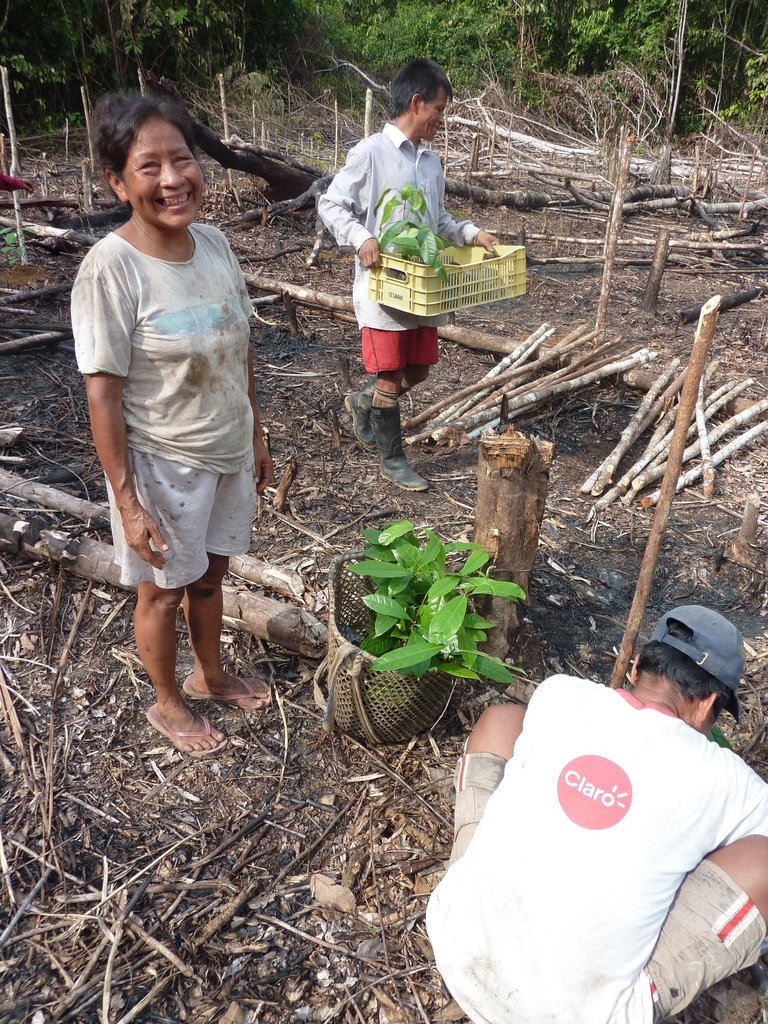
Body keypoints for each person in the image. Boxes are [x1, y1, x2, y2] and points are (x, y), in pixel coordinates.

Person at [426, 605, 768, 1024]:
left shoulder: (561, 694)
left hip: (456, 944)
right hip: (580, 1013)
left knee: (502, 721)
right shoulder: (728, 780)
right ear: (708, 704)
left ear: (637, 666)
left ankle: (474, 889)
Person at [71, 93, 273, 757]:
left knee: (212, 577)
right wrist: (127, 502)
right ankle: (167, 701)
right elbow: (103, 395)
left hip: (225, 451)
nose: (171, 179)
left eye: (181, 160)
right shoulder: (112, 267)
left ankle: (211, 675)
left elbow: (240, 347)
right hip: (161, 464)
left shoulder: (213, 245)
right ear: (118, 183)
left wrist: (256, 436)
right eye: (149, 167)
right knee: (161, 595)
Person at [317, 59, 498, 492]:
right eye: (438, 108)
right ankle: (392, 460)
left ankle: (363, 403)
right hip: (383, 285)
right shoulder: (370, 153)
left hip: (422, 287)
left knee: (419, 369)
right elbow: (331, 204)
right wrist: (362, 237)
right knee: (391, 374)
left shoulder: (431, 163)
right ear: (416, 103)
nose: (442, 118)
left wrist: (472, 232)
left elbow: (436, 222)